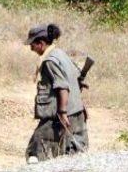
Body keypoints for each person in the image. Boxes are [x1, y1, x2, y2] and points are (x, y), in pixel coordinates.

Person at [25, 24, 88, 163]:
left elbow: (62, 87)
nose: (31, 48)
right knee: (73, 155)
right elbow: (74, 81)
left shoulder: (50, 61)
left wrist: (62, 112)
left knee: (35, 152)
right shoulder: (60, 54)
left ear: (41, 43)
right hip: (77, 112)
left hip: (63, 117)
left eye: (32, 45)